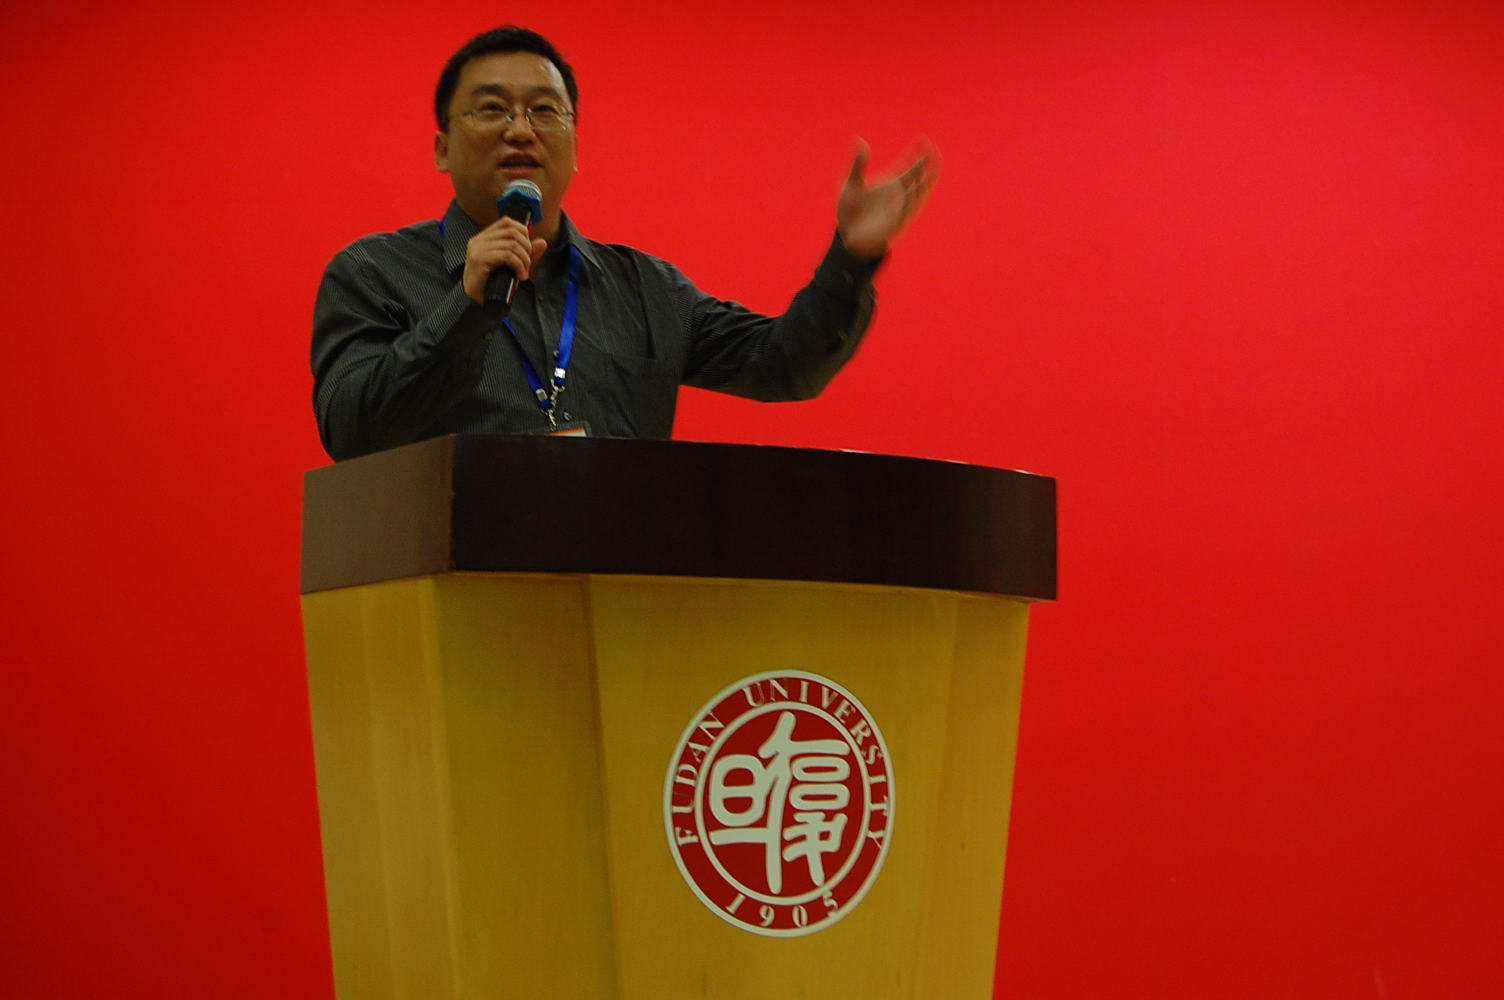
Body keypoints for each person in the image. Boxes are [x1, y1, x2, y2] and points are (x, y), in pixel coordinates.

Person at [312, 26, 936, 461]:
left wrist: (851, 258)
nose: (520, 129)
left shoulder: (646, 290)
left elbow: (785, 365)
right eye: (492, 108)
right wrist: (466, 308)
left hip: (619, 583)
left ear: (576, 146)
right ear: (442, 148)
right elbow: (352, 429)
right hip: (453, 588)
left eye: (545, 111)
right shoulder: (373, 273)